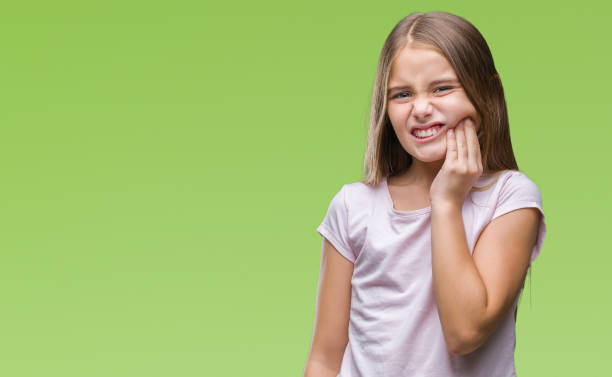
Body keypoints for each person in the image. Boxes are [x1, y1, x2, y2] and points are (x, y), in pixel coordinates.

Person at [303, 11, 547, 377]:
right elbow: (324, 360)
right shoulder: (354, 206)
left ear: (489, 92)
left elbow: (465, 332)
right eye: (402, 94)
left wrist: (446, 202)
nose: (420, 109)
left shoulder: (509, 198)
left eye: (442, 88)